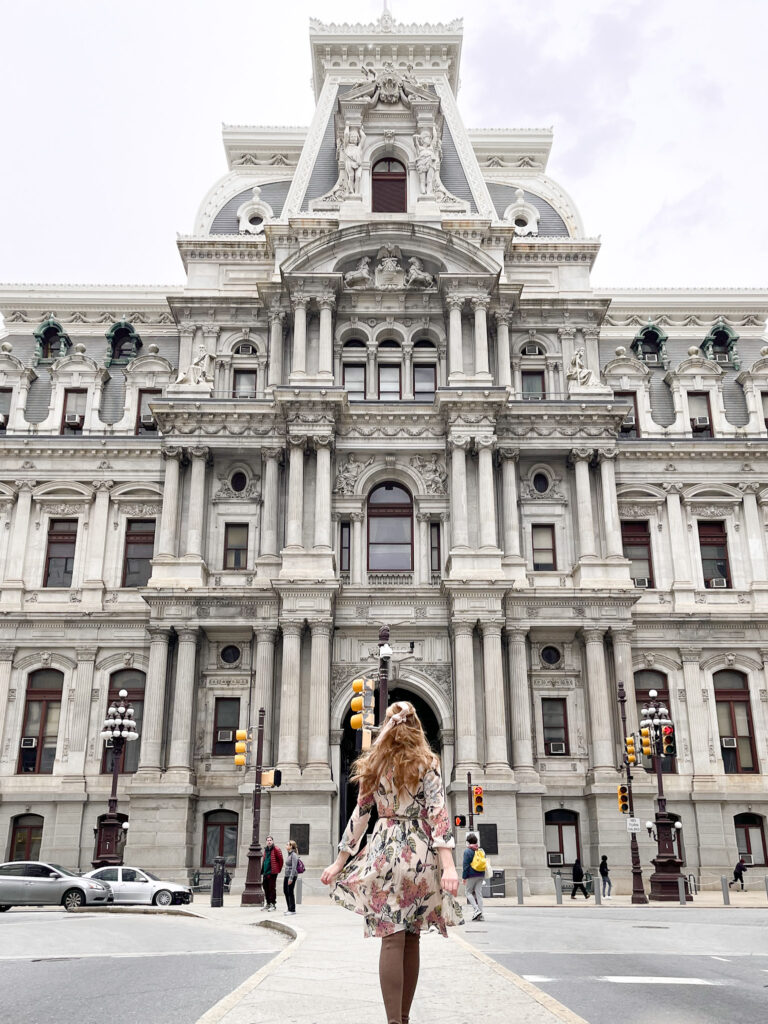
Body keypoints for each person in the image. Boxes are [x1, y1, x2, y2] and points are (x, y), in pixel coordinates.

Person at [321, 700, 463, 1024]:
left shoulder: (374, 764)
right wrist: (450, 865)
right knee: (412, 936)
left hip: (384, 851)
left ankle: (393, 1022)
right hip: (420, 854)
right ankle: (404, 1018)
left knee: (391, 937)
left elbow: (361, 815)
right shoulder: (427, 761)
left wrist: (340, 861)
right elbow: (437, 812)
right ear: (417, 728)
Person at [462, 833, 485, 921]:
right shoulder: (481, 850)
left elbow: (466, 865)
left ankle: (476, 910)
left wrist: (464, 877)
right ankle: (481, 915)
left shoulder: (467, 851)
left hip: (472, 874)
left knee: (468, 892)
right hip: (481, 874)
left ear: (468, 842)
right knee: (479, 894)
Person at [261, 834, 283, 911]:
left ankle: (273, 904)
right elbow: (264, 861)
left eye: (270, 840)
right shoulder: (266, 850)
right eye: (268, 840)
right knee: (265, 887)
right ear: (266, 842)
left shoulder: (276, 849)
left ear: (272, 841)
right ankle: (268, 903)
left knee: (271, 888)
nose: (269, 842)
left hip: (272, 872)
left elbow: (281, 860)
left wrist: (278, 870)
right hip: (265, 872)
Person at [283, 839, 299, 915]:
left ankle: (292, 909)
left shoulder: (294, 855)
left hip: (291, 876)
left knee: (290, 892)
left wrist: (291, 878)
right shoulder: (289, 854)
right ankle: (289, 908)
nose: (286, 846)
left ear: (291, 846)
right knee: (286, 891)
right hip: (286, 875)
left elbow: (294, 867)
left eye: (287, 844)